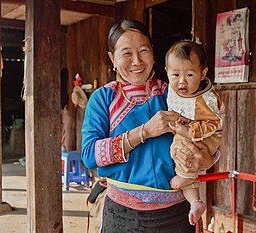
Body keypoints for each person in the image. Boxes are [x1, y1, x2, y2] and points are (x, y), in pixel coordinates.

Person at [81, 19, 218, 233]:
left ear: (153, 53)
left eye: (143, 51)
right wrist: (144, 132)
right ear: (112, 59)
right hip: (122, 215)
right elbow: (90, 156)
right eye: (126, 53)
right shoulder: (104, 99)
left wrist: (207, 158)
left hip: (176, 215)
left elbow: (208, 136)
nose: (137, 61)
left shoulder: (174, 94)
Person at [165, 40, 225, 226]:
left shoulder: (206, 99)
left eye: (190, 74)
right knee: (180, 153)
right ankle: (195, 202)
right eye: (175, 74)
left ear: (203, 74)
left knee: (186, 154)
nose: (181, 81)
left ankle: (186, 180)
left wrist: (188, 130)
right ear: (166, 71)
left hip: (206, 137)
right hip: (186, 133)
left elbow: (214, 122)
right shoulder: (172, 89)